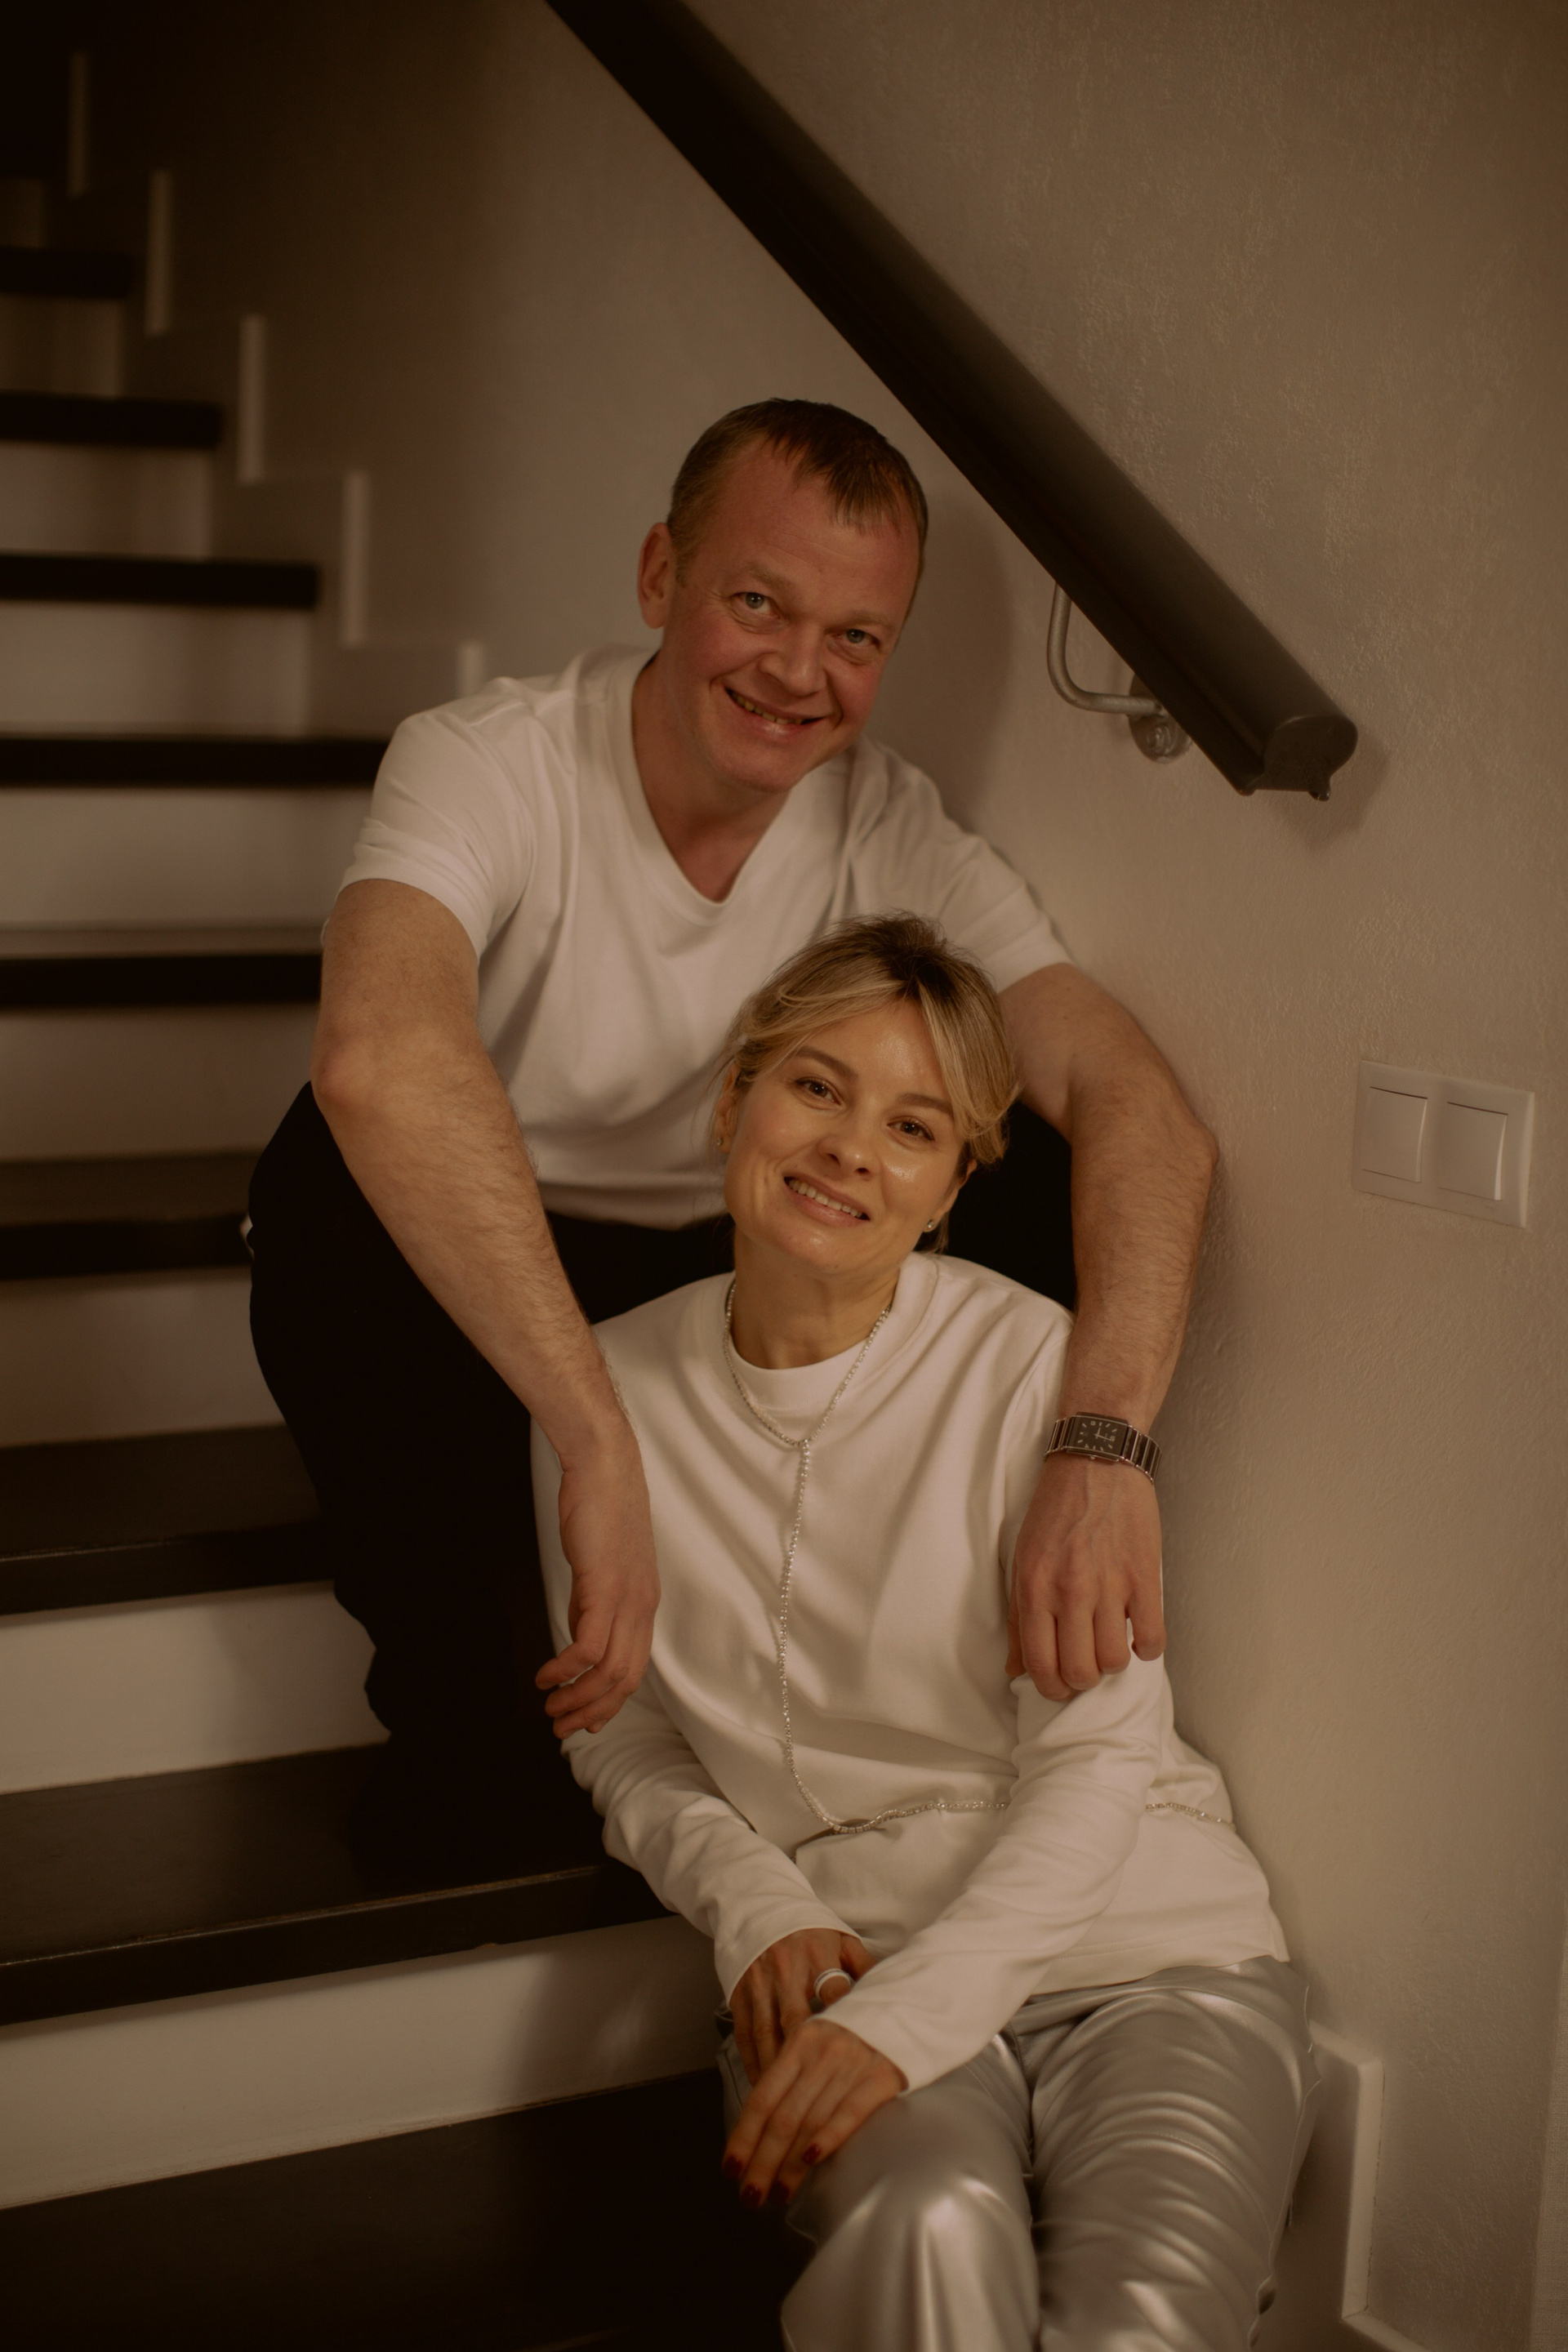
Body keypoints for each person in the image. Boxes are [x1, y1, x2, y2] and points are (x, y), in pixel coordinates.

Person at [248, 399, 1217, 1877]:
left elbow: (1145, 1114)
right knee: (329, 1176)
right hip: (483, 1266)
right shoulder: (488, 758)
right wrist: (595, 1433)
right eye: (758, 604)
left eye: (854, 636)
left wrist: (1102, 1446)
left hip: (727, 1265)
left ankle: (908, 1710)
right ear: (662, 577)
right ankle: (457, 1723)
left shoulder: (889, 829)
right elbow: (380, 1052)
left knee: (1020, 1157)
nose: (797, 673)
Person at [533, 916, 1316, 2352]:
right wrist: (758, 1909)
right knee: (927, 2232)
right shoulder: (599, 1399)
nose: (849, 1148)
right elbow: (618, 1724)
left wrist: (912, 2025)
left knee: (1134, 2331)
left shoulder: (1036, 1370)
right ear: (734, 1100)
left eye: (913, 1126)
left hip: (1149, 1949)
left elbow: (1097, 1762)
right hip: (852, 1960)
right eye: (815, 1087)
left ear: (954, 1184)